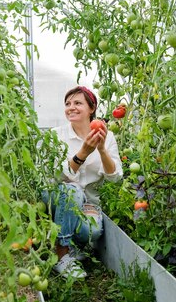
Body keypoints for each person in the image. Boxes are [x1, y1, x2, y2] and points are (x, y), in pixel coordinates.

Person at [42, 86, 123, 279]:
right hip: (57, 195)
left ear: (91, 108)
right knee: (71, 191)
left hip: (87, 202)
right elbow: (53, 178)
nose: (71, 107)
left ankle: (71, 243)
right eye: (68, 104)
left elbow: (115, 177)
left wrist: (102, 150)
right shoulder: (56, 135)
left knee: (92, 232)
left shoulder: (107, 136)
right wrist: (83, 153)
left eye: (78, 103)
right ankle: (61, 255)